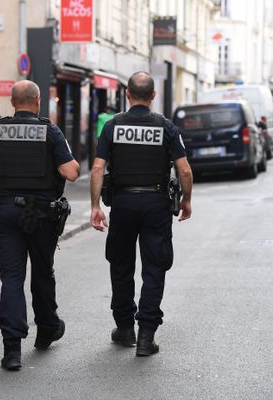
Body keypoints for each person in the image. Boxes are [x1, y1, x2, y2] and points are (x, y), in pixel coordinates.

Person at [0, 80, 80, 370]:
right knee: (43, 273)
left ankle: (12, 351)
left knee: (11, 278)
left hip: (6, 213)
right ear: (38, 101)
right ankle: (46, 329)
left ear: (12, 102)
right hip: (42, 214)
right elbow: (71, 172)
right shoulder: (50, 131)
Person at [89, 71, 193, 356]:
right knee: (154, 267)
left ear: (127, 94)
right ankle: (146, 336)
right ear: (153, 96)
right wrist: (186, 200)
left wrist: (95, 206)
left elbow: (98, 168)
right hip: (156, 204)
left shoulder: (112, 127)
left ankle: (124, 329)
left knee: (121, 265)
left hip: (122, 203)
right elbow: (184, 169)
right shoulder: (166, 127)